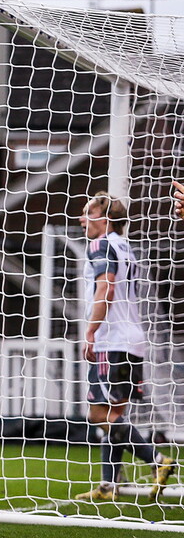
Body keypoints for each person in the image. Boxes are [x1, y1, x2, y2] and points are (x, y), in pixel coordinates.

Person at [74, 192, 175, 502]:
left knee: (97, 413)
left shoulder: (100, 244)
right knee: (115, 412)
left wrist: (90, 331)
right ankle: (109, 484)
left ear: (104, 220)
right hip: (133, 339)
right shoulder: (125, 247)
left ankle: (157, 460)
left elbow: (106, 287)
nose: (82, 220)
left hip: (111, 340)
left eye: (87, 214)